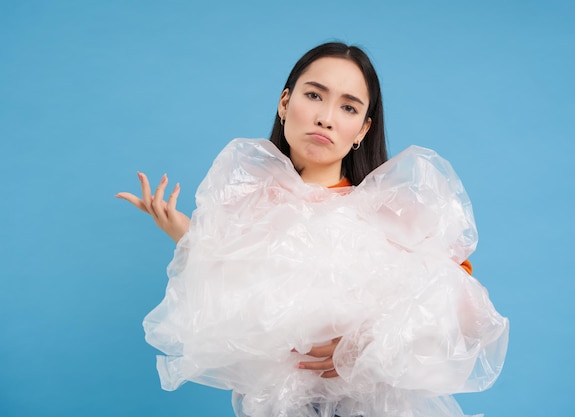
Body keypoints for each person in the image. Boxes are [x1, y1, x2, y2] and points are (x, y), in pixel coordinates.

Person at [117, 42, 508, 417]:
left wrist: (371, 344)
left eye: (349, 107)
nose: (326, 117)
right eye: (315, 96)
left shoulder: (390, 209)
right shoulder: (251, 205)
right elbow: (234, 303)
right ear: (285, 103)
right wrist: (189, 235)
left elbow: (466, 309)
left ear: (362, 130)